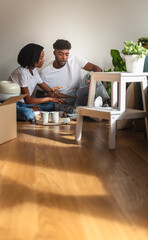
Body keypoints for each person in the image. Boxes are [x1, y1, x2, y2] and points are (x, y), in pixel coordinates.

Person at [8, 43, 76, 122]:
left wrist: (70, 97)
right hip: (13, 105)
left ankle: (35, 110)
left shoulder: (34, 71)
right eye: (41, 58)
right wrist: (50, 98)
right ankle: (31, 110)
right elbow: (28, 100)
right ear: (32, 59)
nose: (43, 60)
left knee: (51, 104)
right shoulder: (21, 73)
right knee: (28, 114)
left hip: (24, 104)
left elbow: (50, 90)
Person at [40, 39, 110, 108]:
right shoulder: (45, 73)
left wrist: (94, 80)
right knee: (64, 108)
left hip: (80, 94)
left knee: (91, 75)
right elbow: (42, 94)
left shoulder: (75, 60)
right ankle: (83, 111)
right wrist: (50, 95)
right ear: (54, 52)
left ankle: (106, 103)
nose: (64, 57)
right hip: (64, 100)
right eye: (60, 54)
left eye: (67, 54)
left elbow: (96, 68)